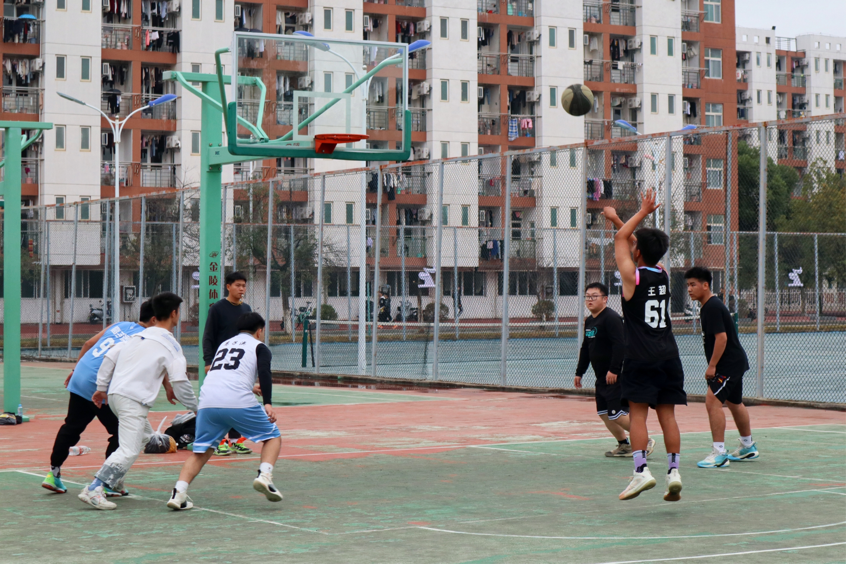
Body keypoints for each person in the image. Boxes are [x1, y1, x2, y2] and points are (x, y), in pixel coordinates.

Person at [78, 292, 198, 510]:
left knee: (145, 438)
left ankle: (115, 478)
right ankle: (94, 488)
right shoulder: (171, 344)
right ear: (174, 314)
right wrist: (196, 408)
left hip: (116, 396)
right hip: (133, 401)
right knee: (129, 450)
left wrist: (102, 388)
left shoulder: (136, 336)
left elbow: (109, 357)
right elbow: (180, 381)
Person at [606, 190, 686, 503]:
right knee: (668, 417)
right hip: (669, 355)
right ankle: (674, 472)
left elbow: (622, 240)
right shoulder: (661, 273)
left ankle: (641, 471)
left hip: (641, 356)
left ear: (637, 252)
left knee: (638, 416)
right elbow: (633, 241)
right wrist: (619, 219)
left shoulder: (632, 278)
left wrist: (641, 212)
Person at [42, 300, 159, 496]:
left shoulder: (120, 325)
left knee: (71, 427)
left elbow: (88, 344)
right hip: (99, 386)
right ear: (154, 319)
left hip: (81, 377)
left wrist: (75, 370)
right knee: (121, 434)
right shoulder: (145, 339)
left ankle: (53, 474)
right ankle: (107, 482)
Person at [167, 312, 282, 510]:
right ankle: (265, 476)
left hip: (207, 402)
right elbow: (264, 372)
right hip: (237, 401)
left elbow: (223, 373)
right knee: (272, 437)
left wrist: (249, 387)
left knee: (201, 452)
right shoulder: (259, 346)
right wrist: (268, 403)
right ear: (259, 331)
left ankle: (178, 494)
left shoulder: (224, 345)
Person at [685, 266, 759, 467]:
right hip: (735, 362)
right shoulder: (708, 306)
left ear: (705, 285)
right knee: (734, 403)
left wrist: (712, 366)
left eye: (693, 284)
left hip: (728, 364)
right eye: (688, 285)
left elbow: (722, 338)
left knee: (712, 402)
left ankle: (719, 454)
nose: (689, 289)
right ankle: (748, 446)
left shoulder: (712, 307)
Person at [575, 283, 656, 458]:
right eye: (587, 296)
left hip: (616, 376)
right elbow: (586, 348)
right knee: (604, 414)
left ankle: (646, 440)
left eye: (594, 296)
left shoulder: (611, 318)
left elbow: (620, 345)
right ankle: (624, 445)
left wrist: (614, 370)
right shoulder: (589, 321)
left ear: (605, 299)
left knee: (617, 414)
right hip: (601, 377)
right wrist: (579, 372)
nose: (590, 299)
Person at [202, 271, 253, 456]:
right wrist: (208, 361)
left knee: (237, 401)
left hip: (240, 365)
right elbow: (208, 336)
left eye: (244, 286)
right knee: (220, 403)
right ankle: (219, 441)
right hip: (220, 365)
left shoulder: (246, 309)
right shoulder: (217, 309)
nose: (241, 289)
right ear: (228, 286)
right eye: (238, 285)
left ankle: (235, 441)